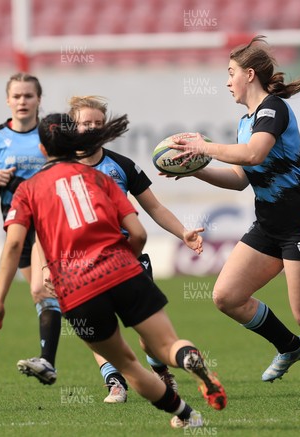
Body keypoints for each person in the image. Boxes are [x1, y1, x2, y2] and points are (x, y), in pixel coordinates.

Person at [0, 113, 226, 429]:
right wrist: (124, 262)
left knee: (128, 364)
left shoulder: (28, 190)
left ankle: (188, 415)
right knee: (167, 345)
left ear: (42, 150)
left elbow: (15, 247)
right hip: (124, 272)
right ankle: (188, 358)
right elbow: (138, 233)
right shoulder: (101, 179)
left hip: (78, 290)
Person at [167, 36, 300, 402]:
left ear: (248, 74)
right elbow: (240, 178)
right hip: (270, 226)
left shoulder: (272, 109)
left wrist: (204, 146)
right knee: (227, 296)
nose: (227, 82)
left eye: (230, 74)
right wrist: (194, 169)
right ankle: (290, 346)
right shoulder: (246, 122)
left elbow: (255, 154)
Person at [62, 95, 204, 403]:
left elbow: (153, 207)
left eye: (99, 123)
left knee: (148, 336)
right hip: (83, 263)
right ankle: (115, 382)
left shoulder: (122, 166)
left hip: (128, 258)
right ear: (73, 125)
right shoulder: (60, 170)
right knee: (97, 330)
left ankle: (160, 369)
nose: (93, 128)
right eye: (87, 123)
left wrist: (184, 232)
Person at [0, 73, 61, 385]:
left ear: (39, 100)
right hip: (18, 228)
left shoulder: (49, 134)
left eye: (28, 96)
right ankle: (58, 361)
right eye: (17, 96)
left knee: (48, 293)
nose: (22, 101)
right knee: (46, 299)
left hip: (52, 226)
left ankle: (102, 370)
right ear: (8, 100)